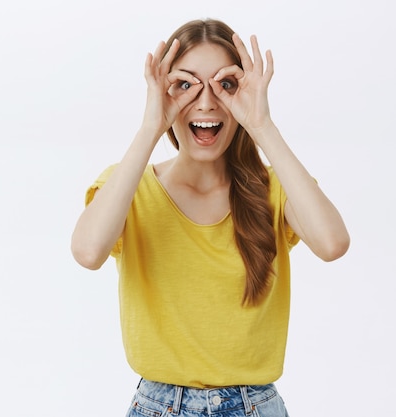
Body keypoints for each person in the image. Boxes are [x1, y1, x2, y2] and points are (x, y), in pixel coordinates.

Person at [70, 18, 350, 417]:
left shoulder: (273, 189)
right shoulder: (129, 188)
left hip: (256, 406)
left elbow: (333, 243)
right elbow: (88, 252)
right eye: (185, 85)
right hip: (158, 406)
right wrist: (151, 126)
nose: (205, 103)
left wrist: (261, 125)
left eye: (225, 85)